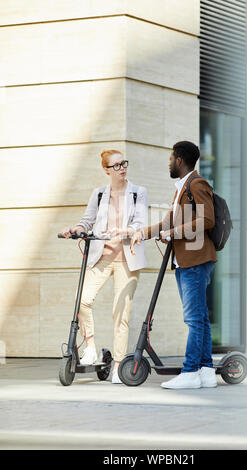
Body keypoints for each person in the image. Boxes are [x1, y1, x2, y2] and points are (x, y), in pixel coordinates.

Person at [130, 141, 217, 389]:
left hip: (196, 260)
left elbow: (207, 219)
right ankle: (206, 370)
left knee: (193, 318)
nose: (168, 162)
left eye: (170, 158)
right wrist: (143, 233)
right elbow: (167, 222)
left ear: (179, 160)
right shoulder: (182, 188)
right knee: (199, 317)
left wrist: (174, 232)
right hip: (186, 261)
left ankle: (190, 373)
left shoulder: (196, 184)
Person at [61, 150, 148, 384]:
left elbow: (140, 223)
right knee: (83, 299)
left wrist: (127, 231)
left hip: (127, 260)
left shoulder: (138, 193)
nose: (122, 168)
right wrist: (75, 230)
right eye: (117, 165)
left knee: (120, 314)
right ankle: (90, 346)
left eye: (124, 163)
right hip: (102, 257)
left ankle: (119, 365)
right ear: (106, 170)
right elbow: (87, 220)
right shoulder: (99, 194)